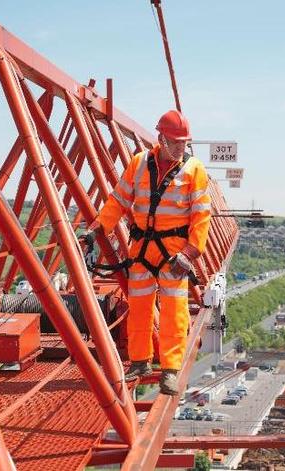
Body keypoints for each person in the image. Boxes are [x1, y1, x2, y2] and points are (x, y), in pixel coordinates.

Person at [88, 109, 212, 395]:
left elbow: (201, 215)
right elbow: (118, 200)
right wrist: (97, 228)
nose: (182, 148)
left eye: (185, 142)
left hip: (174, 255)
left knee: (174, 312)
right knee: (140, 307)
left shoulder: (194, 170)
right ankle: (141, 361)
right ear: (161, 139)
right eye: (176, 142)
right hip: (142, 250)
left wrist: (191, 252)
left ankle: (169, 370)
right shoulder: (139, 164)